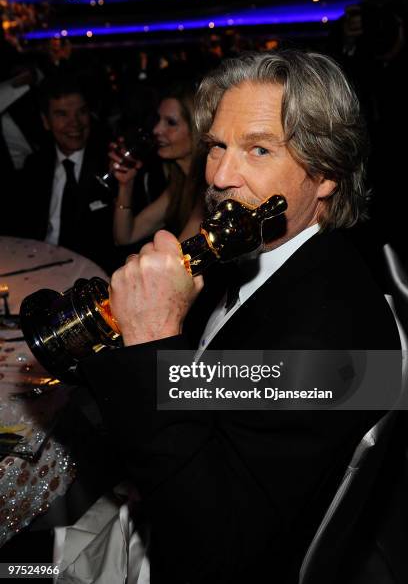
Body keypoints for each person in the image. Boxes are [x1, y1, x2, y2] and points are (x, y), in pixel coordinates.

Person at [79, 50, 401, 583]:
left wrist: (154, 340)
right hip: (157, 491)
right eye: (217, 147)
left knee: (20, 568)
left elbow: (215, 550)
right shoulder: (260, 253)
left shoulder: (328, 342)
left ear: (326, 173)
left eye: (258, 149)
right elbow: (220, 387)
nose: (221, 176)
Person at [18, 74, 117, 274]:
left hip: (91, 274)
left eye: (81, 112)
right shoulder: (34, 166)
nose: (75, 124)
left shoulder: (112, 165)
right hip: (37, 267)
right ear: (46, 121)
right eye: (62, 114)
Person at [110, 82, 205, 248]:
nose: (156, 129)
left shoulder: (209, 190)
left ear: (197, 130)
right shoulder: (179, 184)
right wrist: (126, 185)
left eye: (171, 123)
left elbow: (178, 260)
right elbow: (125, 236)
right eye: (158, 120)